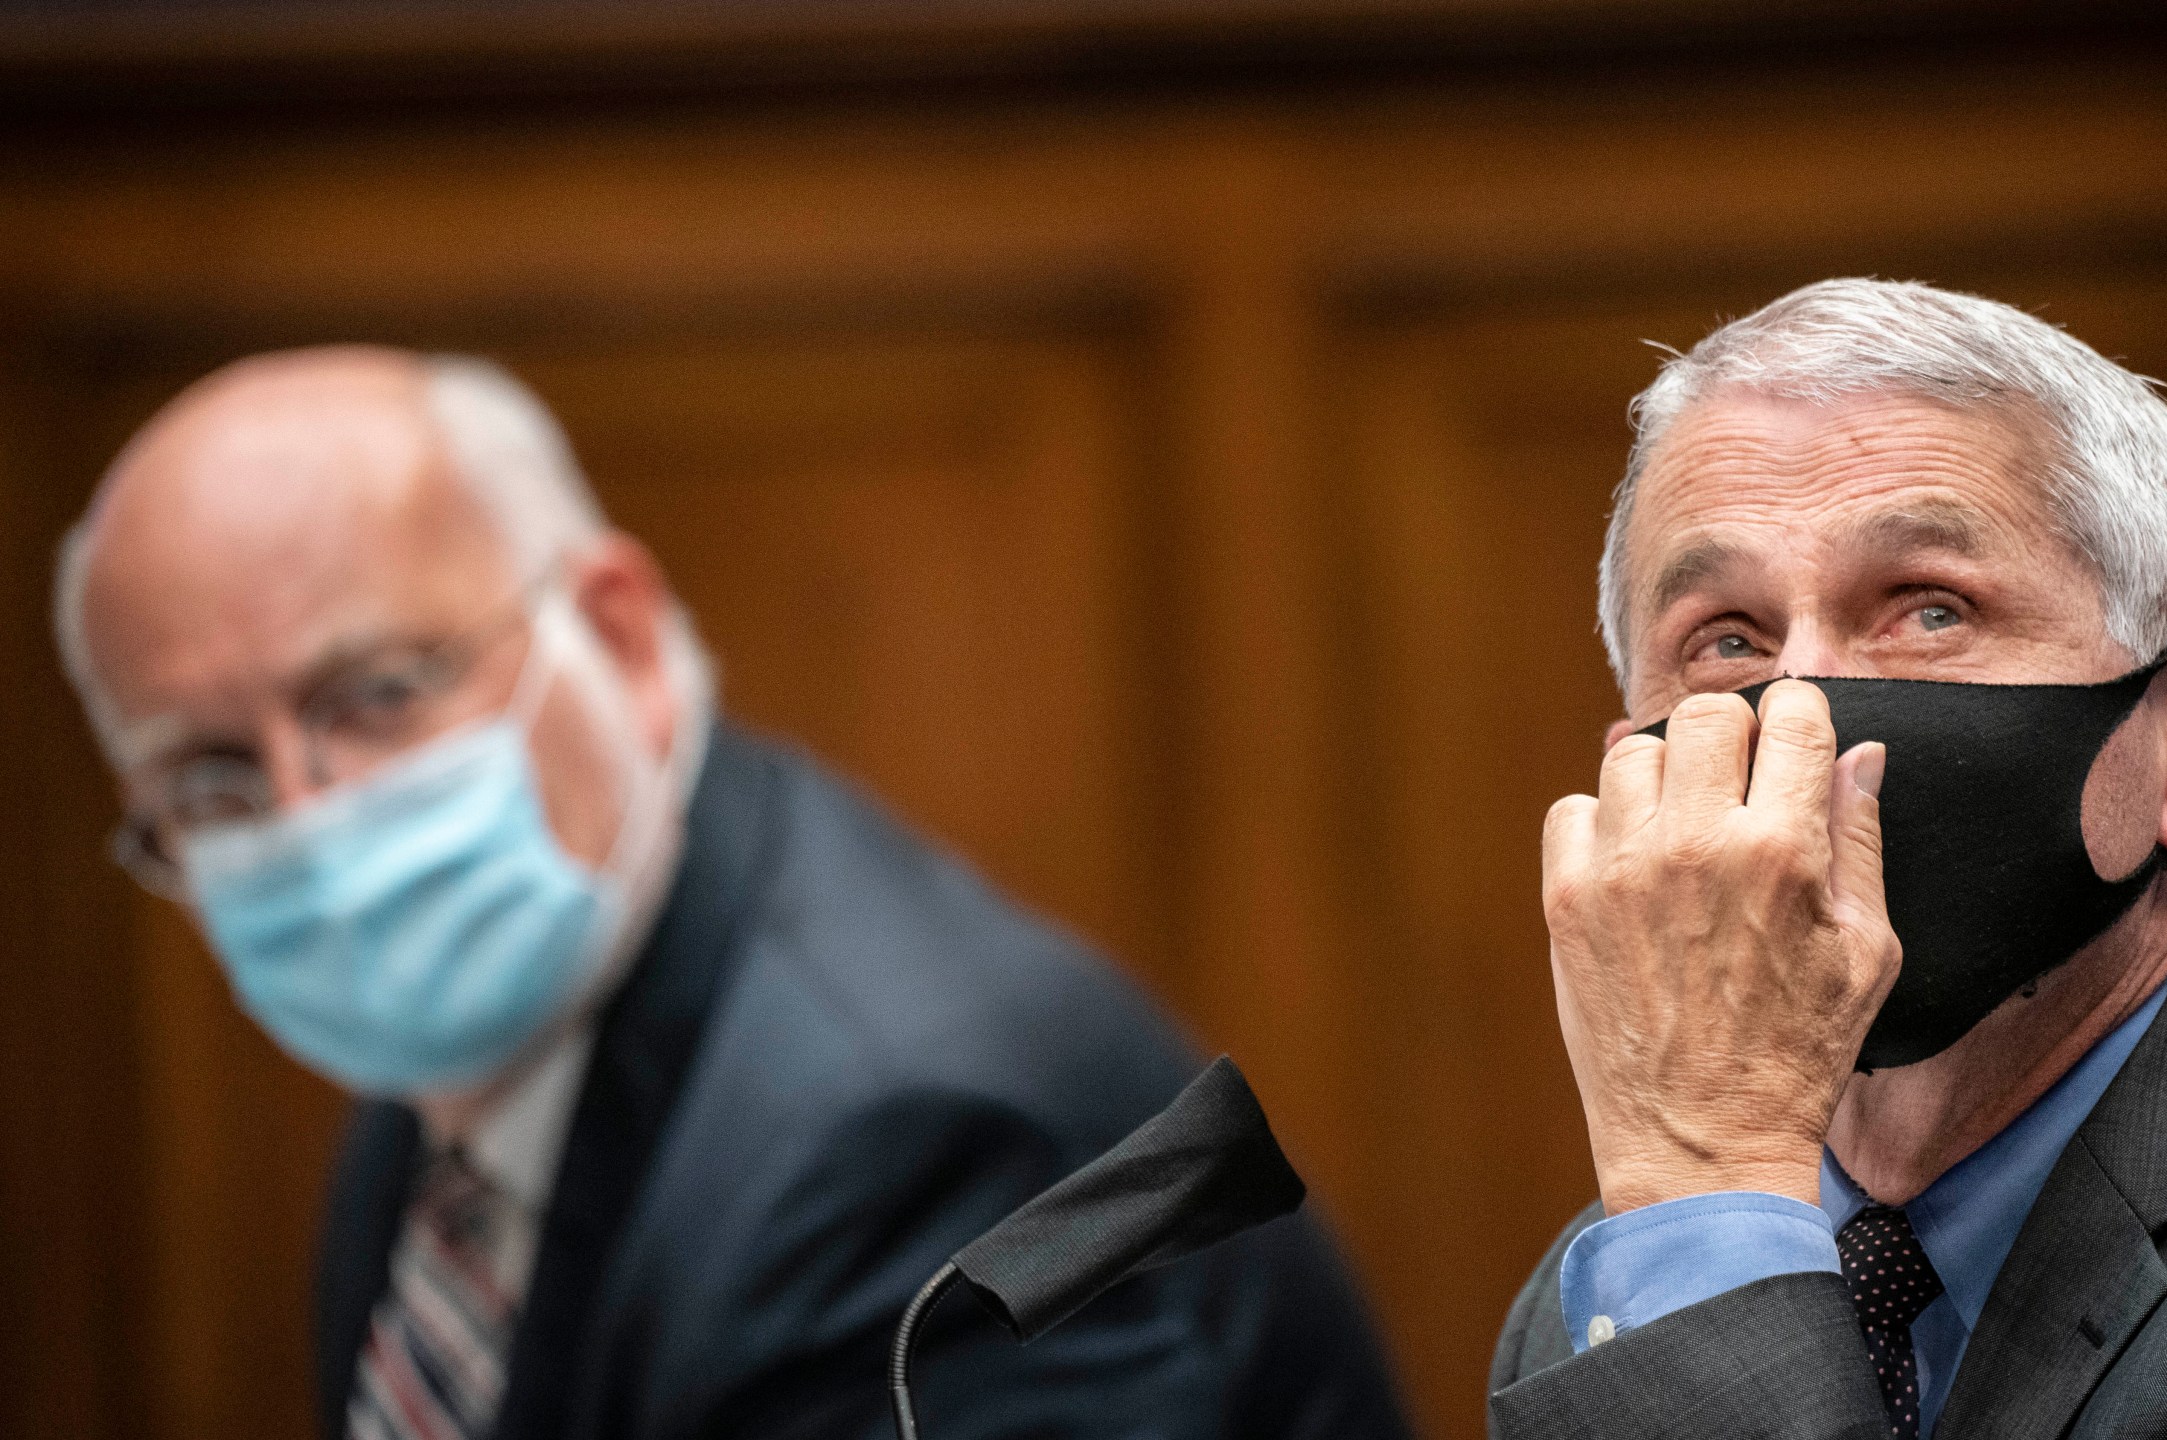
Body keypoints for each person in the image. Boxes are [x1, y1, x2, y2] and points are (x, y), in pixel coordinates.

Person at [53, 347, 1409, 1440]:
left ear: (620, 635)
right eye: (211, 776)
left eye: (381, 694)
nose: (312, 818)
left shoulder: (908, 1137)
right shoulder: (469, 1071)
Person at [1488, 280, 2167, 1438]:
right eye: (1728, 640)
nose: (1796, 706)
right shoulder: (1611, 1283)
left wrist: (1704, 1177)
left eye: (1929, 610)